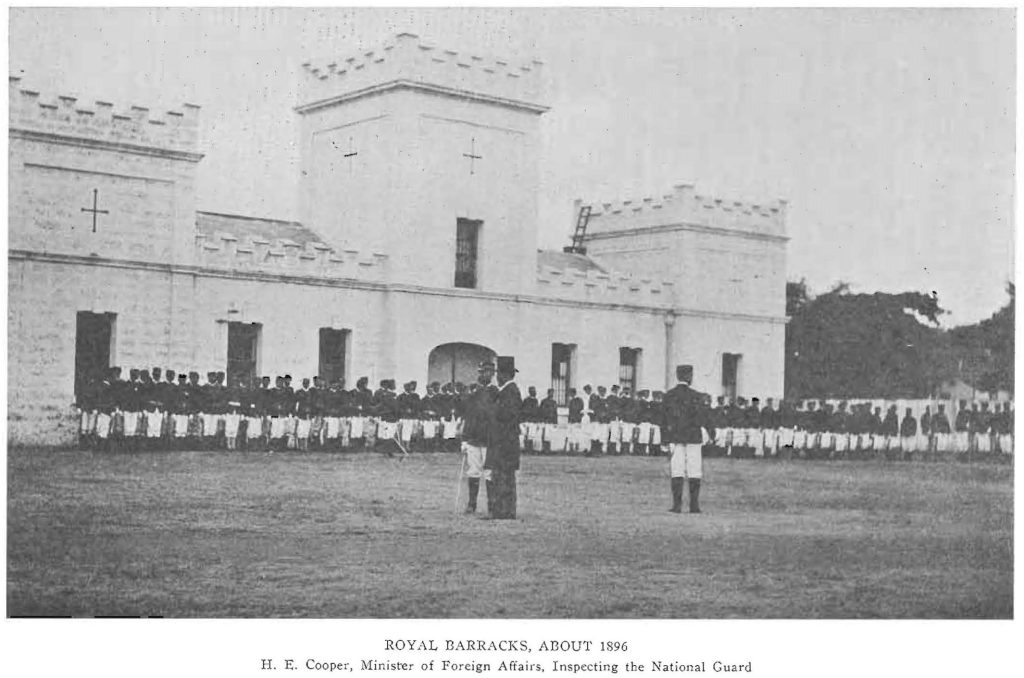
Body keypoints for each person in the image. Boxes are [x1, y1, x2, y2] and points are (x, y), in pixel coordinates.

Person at [662, 365, 708, 514]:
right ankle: (694, 506)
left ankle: (677, 505)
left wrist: (665, 439)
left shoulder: (669, 395)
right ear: (689, 376)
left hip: (675, 438)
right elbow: (702, 418)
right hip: (693, 437)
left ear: (677, 375)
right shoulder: (697, 396)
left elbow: (663, 420)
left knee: (677, 470)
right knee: (694, 470)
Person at [484, 356, 522, 520]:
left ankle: (503, 510)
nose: (496, 377)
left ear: (504, 375)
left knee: (503, 476)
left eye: (498, 373)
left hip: (504, 442)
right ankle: (504, 510)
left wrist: (493, 407)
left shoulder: (510, 392)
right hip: (504, 441)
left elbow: (505, 415)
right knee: (502, 475)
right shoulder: (507, 391)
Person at [461, 361, 496, 514]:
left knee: (489, 472)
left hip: (489, 438)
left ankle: (491, 504)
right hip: (473, 438)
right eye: (481, 372)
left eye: (487, 372)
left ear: (493, 374)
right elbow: (467, 414)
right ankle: (472, 503)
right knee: (473, 471)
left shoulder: (495, 392)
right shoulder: (473, 391)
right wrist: (464, 438)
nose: (484, 375)